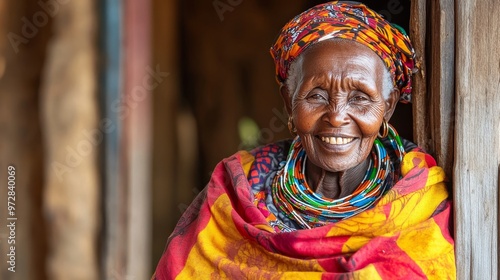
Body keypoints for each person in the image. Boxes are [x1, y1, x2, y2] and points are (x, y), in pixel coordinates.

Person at [153, 1, 456, 279]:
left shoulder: (420, 202)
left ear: (387, 107)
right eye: (317, 96)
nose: (336, 116)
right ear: (289, 102)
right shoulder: (236, 192)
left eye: (360, 98)